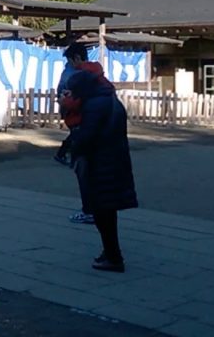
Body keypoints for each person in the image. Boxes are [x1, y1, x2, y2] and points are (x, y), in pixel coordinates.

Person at [67, 67, 138, 273]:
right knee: (108, 211)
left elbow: (86, 137)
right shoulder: (110, 100)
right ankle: (110, 253)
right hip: (114, 161)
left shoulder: (94, 105)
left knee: (102, 213)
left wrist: (73, 134)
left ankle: (113, 256)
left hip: (100, 164)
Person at [54, 42, 104, 167]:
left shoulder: (82, 71)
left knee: (79, 133)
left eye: (70, 61)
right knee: (78, 132)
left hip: (80, 107)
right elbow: (63, 92)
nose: (69, 63)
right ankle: (70, 157)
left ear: (76, 58)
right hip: (75, 107)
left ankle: (69, 156)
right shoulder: (73, 72)